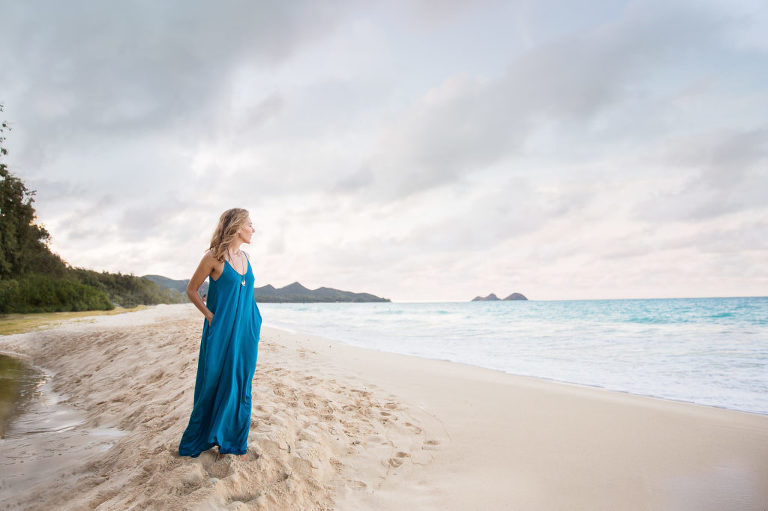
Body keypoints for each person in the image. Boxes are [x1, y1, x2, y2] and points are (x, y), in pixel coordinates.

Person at [178, 208, 262, 460]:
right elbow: (192, 290)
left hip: (246, 330)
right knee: (213, 381)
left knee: (240, 382)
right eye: (250, 224)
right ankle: (202, 438)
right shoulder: (214, 258)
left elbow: (246, 294)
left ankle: (233, 442)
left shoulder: (246, 257)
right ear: (237, 227)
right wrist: (210, 315)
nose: (253, 229)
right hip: (221, 329)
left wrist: (254, 320)